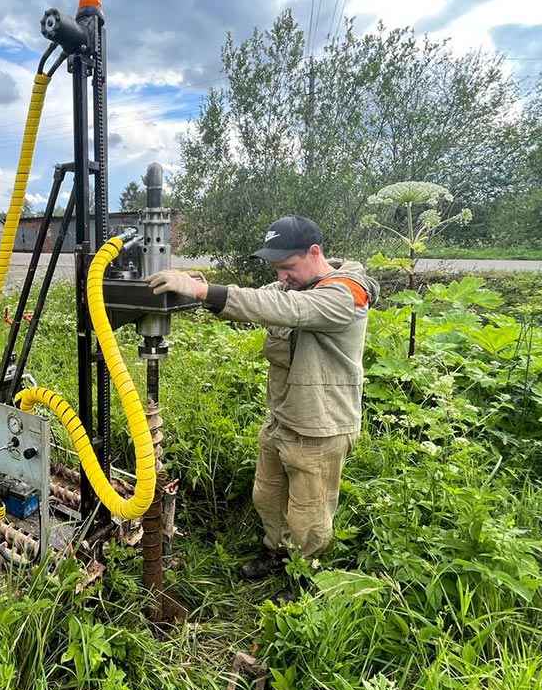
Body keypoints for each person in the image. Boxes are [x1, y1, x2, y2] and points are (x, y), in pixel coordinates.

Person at [149, 215, 379, 595]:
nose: (281, 277)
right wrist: (196, 285)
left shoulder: (344, 294)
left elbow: (288, 310)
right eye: (277, 269)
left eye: (286, 267)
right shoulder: (295, 283)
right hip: (284, 417)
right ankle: (276, 555)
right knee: (267, 495)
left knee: (308, 516)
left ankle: (302, 578)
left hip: (320, 426)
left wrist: (203, 292)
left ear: (314, 253)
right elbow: (261, 298)